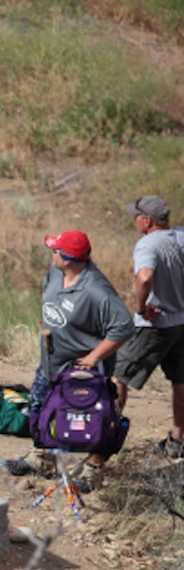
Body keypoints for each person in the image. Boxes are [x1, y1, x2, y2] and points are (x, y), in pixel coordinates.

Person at [4, 230, 135, 490]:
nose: (51, 253)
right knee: (41, 408)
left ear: (68, 258)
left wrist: (93, 357)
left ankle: (92, 471)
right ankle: (42, 458)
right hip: (51, 364)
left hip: (84, 373)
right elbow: (46, 293)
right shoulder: (57, 272)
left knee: (95, 419)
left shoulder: (97, 291)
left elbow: (123, 328)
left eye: (55, 250)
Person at [112, 195, 184, 462]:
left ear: (147, 220)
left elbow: (144, 277)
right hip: (182, 322)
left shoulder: (147, 244)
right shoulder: (180, 235)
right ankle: (178, 440)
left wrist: (142, 308)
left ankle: (105, 440)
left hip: (156, 324)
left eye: (137, 216)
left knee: (118, 376)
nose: (135, 220)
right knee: (180, 381)